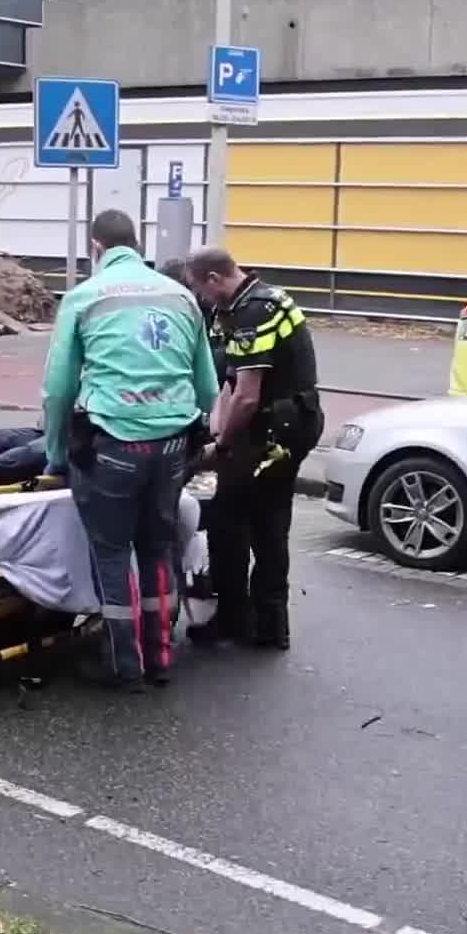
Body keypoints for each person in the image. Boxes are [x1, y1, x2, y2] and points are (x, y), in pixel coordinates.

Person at [43, 210, 219, 690]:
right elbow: (207, 390)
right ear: (136, 244)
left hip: (115, 441)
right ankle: (161, 657)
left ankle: (125, 664)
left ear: (96, 248)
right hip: (171, 445)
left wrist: (57, 456)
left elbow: (57, 391)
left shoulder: (84, 297)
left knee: (112, 554)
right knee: (157, 548)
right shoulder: (182, 296)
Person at [181, 249, 324, 651]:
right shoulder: (258, 298)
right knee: (270, 521)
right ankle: (270, 624)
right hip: (289, 422)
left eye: (199, 289)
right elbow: (230, 382)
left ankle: (234, 620)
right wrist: (216, 432)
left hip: (274, 431)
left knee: (229, 522)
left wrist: (222, 445)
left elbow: (246, 396)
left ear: (212, 278)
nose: (202, 299)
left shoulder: (252, 312)